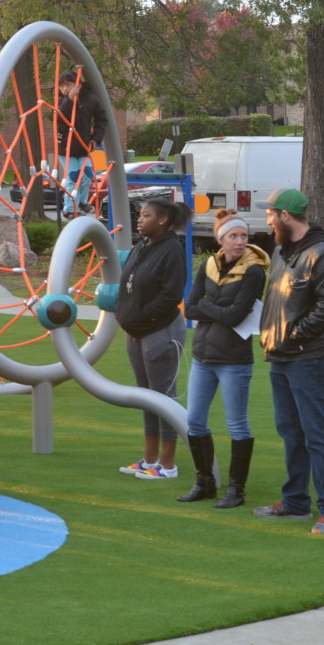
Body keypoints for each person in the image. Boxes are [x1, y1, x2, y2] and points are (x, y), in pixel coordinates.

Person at [178, 208, 268, 507]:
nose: (240, 241)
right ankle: (205, 483)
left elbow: (235, 316)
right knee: (194, 421)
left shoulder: (254, 271)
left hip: (234, 360)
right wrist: (215, 310)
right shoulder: (208, 265)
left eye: (244, 235)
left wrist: (207, 306)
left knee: (237, 425)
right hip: (203, 356)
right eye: (233, 236)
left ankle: (236, 491)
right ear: (221, 239)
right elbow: (189, 308)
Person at [256, 187, 324, 532]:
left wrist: (295, 335)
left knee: (318, 434)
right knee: (290, 432)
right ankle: (296, 502)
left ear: (285, 215)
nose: (268, 220)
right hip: (280, 356)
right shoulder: (281, 251)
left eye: (271, 214)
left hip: (309, 358)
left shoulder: (321, 252)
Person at [114, 198, 188, 480]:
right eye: (140, 215)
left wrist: (141, 320)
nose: (139, 219)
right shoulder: (142, 245)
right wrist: (125, 316)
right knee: (146, 396)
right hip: (136, 332)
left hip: (160, 332)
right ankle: (149, 459)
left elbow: (171, 295)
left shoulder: (172, 250)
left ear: (162, 220)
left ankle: (167, 465)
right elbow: (127, 286)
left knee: (163, 397)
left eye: (146, 215)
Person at [57, 68, 109, 219]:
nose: (64, 89)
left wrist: (96, 138)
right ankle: (69, 208)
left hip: (83, 145)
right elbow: (59, 117)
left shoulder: (90, 100)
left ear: (78, 84)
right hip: (66, 147)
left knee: (87, 174)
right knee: (73, 176)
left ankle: (81, 202)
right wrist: (69, 99)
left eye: (68, 85)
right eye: (61, 86)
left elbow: (102, 119)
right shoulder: (60, 101)